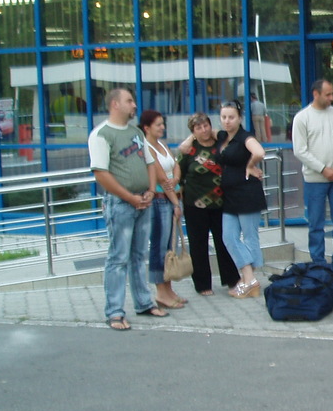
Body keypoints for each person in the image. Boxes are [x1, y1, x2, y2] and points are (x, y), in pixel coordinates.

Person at [88, 87, 168, 330]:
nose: (134, 106)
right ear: (115, 104)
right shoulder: (101, 134)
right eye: (129, 101)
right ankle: (114, 311)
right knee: (118, 258)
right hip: (121, 204)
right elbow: (101, 174)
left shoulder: (135, 132)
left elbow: (150, 163)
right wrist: (130, 197)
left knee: (138, 256)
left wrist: (151, 192)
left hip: (143, 201)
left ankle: (144, 302)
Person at [292, 79, 333, 275]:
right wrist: (323, 169)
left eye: (332, 94)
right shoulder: (302, 118)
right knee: (316, 222)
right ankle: (318, 260)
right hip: (314, 180)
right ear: (315, 94)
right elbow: (300, 151)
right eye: (327, 94)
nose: (331, 98)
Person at [176, 113, 240, 295]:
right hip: (194, 204)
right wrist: (178, 192)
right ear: (193, 132)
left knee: (225, 241)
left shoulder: (221, 145)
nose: (203, 130)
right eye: (198, 128)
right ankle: (203, 284)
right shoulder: (189, 150)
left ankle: (231, 279)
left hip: (221, 202)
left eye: (206, 126)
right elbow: (178, 171)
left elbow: (230, 138)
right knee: (198, 244)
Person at [215, 99, 266, 298]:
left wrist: (250, 165)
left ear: (239, 118)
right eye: (224, 117)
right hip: (229, 194)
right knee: (228, 236)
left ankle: (249, 280)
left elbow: (259, 152)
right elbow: (200, 134)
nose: (227, 121)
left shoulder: (245, 137)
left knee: (250, 236)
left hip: (247, 194)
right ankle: (249, 279)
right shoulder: (221, 136)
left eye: (231, 117)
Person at [139, 109, 186, 310]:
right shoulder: (147, 147)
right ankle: (160, 291)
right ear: (146, 128)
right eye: (158, 124)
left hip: (171, 195)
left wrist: (175, 178)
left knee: (170, 246)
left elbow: (175, 165)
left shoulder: (162, 145)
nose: (162, 128)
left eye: (162, 124)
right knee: (159, 245)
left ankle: (168, 288)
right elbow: (160, 178)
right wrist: (175, 202)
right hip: (160, 201)